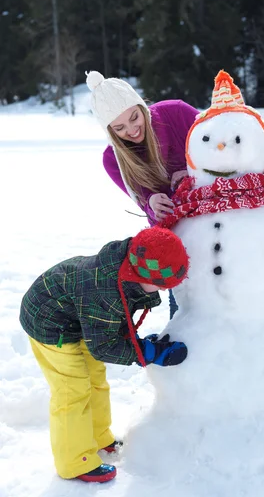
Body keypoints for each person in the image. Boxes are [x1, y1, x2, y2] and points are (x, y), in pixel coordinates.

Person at [19, 226, 189, 483]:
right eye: (159, 285)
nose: (163, 290)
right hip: (49, 323)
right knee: (73, 390)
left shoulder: (129, 271)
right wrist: (149, 352)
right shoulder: (104, 290)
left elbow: (109, 323)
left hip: (81, 318)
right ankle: (74, 461)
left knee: (95, 378)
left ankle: (99, 436)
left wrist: (139, 343)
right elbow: (104, 346)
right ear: (141, 274)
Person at [86, 71, 199, 317]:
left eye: (134, 117)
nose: (132, 130)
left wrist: (192, 173)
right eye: (119, 128)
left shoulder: (177, 113)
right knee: (185, 304)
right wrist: (151, 203)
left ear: (141, 106)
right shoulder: (112, 159)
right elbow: (141, 199)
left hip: (216, 215)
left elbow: (222, 149)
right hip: (177, 235)